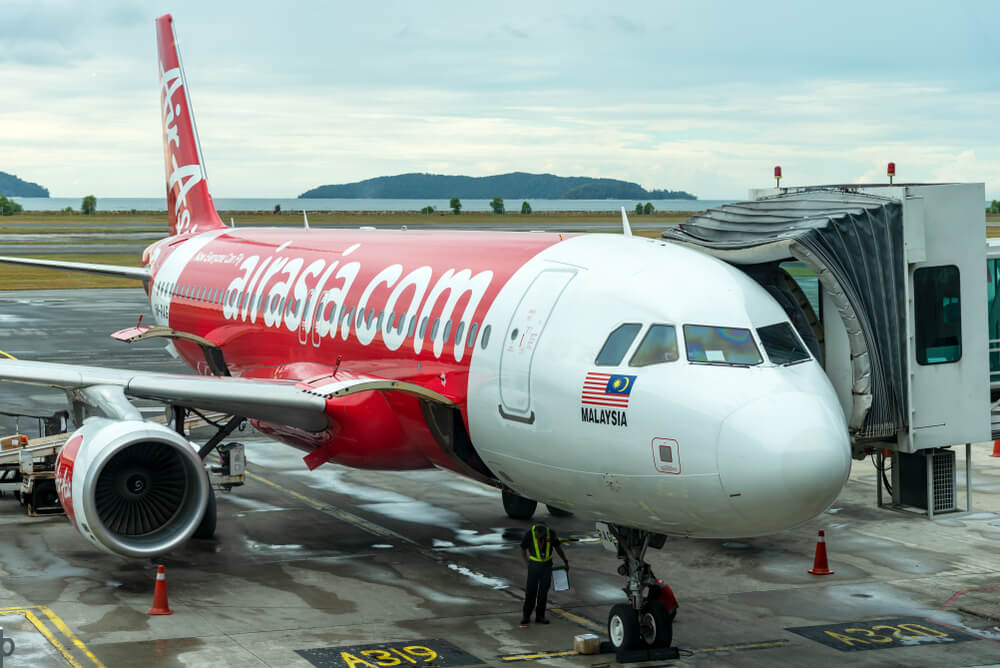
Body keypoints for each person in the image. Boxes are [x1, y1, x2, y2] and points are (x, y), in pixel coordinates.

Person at [519, 521, 569, 627]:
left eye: (541, 535)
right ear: (535, 531)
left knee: (543, 592)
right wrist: (527, 563)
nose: (539, 536)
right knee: (531, 592)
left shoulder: (551, 533)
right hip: (533, 566)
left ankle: (540, 616)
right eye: (537, 535)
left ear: (544, 532)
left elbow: (557, 548)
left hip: (546, 566)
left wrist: (565, 561)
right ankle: (526, 616)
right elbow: (523, 549)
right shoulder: (529, 534)